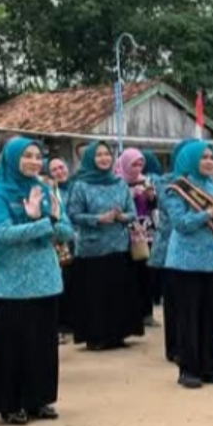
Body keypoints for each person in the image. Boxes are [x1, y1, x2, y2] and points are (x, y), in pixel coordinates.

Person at [0, 137, 75, 425]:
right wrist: (41, 222)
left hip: (44, 279)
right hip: (11, 284)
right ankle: (10, 403)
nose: (35, 161)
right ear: (12, 158)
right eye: (27, 156)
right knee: (11, 345)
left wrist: (46, 220)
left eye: (38, 156)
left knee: (41, 343)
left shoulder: (44, 189)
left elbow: (66, 230)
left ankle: (39, 399)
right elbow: (2, 234)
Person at [160, 140, 213, 388]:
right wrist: (208, 214)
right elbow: (181, 223)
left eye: (211, 157)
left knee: (211, 316)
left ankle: (210, 367)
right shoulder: (176, 188)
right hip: (184, 262)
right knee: (188, 317)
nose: (209, 161)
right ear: (190, 160)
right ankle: (189, 370)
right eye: (203, 157)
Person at [66, 141, 144, 351]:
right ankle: (96, 337)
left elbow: (132, 212)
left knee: (117, 292)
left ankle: (118, 334)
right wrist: (98, 219)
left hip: (118, 246)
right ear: (90, 159)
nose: (104, 158)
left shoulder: (119, 183)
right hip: (92, 249)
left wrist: (121, 217)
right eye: (99, 155)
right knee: (95, 295)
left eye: (107, 154)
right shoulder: (80, 185)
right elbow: (73, 215)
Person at [149, 138, 196, 363]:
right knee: (175, 301)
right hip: (170, 247)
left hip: (196, 249)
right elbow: (176, 216)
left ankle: (191, 345)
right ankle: (175, 347)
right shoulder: (167, 183)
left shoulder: (205, 183)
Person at [116, 148, 159, 328]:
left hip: (145, 230)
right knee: (129, 272)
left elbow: (154, 206)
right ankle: (131, 314)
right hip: (126, 230)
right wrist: (130, 196)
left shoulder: (146, 180)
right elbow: (117, 207)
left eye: (140, 165)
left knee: (146, 271)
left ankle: (147, 313)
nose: (137, 168)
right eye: (134, 164)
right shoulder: (118, 183)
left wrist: (151, 197)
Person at [47, 158, 76, 344]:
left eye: (61, 167)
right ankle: (61, 326)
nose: (59, 172)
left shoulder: (76, 187)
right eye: (54, 170)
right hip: (58, 243)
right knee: (60, 285)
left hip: (77, 242)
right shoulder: (51, 191)